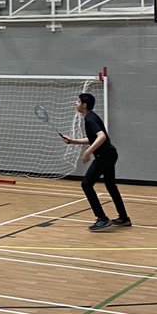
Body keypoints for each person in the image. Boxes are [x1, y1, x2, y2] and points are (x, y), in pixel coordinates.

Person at [61, 93, 131, 232]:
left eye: (78, 101)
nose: (76, 103)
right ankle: (124, 218)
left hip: (104, 156)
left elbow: (102, 137)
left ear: (84, 105)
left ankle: (102, 218)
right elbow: (93, 138)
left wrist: (87, 152)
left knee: (86, 184)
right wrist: (73, 141)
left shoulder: (90, 119)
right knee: (110, 185)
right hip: (110, 155)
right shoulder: (90, 116)